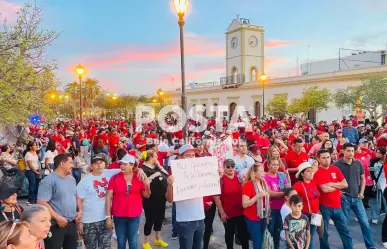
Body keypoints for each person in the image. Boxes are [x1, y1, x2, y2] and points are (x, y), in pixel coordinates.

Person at [333, 143, 376, 249]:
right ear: (343, 151)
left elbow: (363, 178)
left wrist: (361, 192)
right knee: (344, 226)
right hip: (344, 198)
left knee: (365, 224)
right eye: (348, 150)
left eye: (352, 151)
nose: (351, 153)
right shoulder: (336, 164)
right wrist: (338, 191)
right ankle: (348, 246)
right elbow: (331, 181)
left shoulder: (358, 163)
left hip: (357, 198)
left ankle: (370, 246)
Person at [76, 154, 121, 249]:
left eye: (101, 163)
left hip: (106, 219)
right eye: (96, 163)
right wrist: (79, 222)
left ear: (105, 164)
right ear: (91, 166)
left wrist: (140, 170)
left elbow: (128, 169)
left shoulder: (110, 173)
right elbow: (78, 200)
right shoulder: (85, 181)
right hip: (89, 221)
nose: (99, 165)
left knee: (106, 246)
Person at [105, 154, 151, 249]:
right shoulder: (114, 178)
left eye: (125, 164)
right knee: (121, 241)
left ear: (132, 165)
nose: (122, 166)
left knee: (133, 241)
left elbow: (147, 195)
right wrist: (108, 216)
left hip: (134, 215)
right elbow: (108, 197)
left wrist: (147, 184)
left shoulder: (139, 177)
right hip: (118, 215)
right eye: (121, 164)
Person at [166, 144, 205, 249]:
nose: (192, 158)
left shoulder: (201, 171)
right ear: (180, 158)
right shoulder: (174, 175)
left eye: (193, 155)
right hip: (184, 220)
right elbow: (170, 199)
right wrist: (170, 186)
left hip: (200, 218)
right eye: (188, 155)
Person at [37, 153, 80, 249]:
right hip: (55, 225)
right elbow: (41, 202)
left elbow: (76, 197)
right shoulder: (48, 180)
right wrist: (57, 218)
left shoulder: (72, 179)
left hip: (71, 224)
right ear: (62, 164)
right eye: (70, 163)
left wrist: (80, 211)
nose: (72, 165)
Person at [313, 149, 353, 249]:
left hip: (338, 206)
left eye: (328, 157)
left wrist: (331, 184)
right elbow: (324, 189)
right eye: (323, 158)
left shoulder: (335, 169)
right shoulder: (317, 172)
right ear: (318, 159)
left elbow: (345, 184)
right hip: (323, 207)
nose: (327, 160)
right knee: (324, 233)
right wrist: (337, 186)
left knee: (345, 231)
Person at [214, 159, 249, 249]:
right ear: (224, 167)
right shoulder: (221, 180)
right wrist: (222, 213)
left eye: (232, 166)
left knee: (244, 234)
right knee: (229, 234)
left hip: (241, 212)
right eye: (228, 166)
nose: (230, 168)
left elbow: (246, 192)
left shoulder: (239, 177)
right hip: (228, 213)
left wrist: (244, 183)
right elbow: (217, 198)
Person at [140, 150, 169, 249]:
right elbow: (144, 182)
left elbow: (167, 175)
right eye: (155, 156)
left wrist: (160, 166)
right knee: (150, 219)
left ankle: (158, 239)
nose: (157, 158)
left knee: (159, 219)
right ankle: (146, 242)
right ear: (150, 158)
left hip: (161, 197)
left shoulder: (156, 166)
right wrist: (154, 175)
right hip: (150, 199)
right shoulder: (142, 169)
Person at [242, 163, 270, 249]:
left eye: (263, 171)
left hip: (263, 216)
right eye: (261, 171)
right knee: (257, 242)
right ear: (254, 173)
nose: (264, 173)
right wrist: (257, 196)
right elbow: (245, 204)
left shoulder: (263, 183)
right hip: (253, 218)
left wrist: (267, 216)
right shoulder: (248, 185)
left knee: (262, 241)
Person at [293, 162, 320, 249]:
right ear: (302, 173)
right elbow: (292, 199)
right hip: (304, 215)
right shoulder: (298, 185)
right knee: (302, 240)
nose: (311, 172)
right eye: (308, 171)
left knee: (310, 238)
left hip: (315, 214)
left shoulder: (313, 182)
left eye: (311, 171)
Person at [265, 158, 290, 249]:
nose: (276, 167)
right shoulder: (265, 177)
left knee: (278, 231)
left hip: (282, 208)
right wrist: (284, 193)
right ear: (268, 165)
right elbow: (270, 193)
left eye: (277, 165)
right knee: (270, 231)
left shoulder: (282, 175)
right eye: (273, 164)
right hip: (271, 208)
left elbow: (288, 189)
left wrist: (284, 192)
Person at [369, 147, 387, 224]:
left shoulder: (386, 162)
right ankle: (375, 216)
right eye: (377, 152)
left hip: (384, 183)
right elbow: (371, 170)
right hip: (376, 182)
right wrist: (373, 180)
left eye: (379, 153)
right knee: (374, 200)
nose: (377, 154)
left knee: (385, 200)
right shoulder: (373, 160)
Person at [25, 141, 41, 205]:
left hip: (36, 170)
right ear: (30, 147)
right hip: (30, 171)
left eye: (36, 145)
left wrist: (38, 170)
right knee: (32, 185)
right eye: (34, 145)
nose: (36, 146)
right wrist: (35, 171)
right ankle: (31, 200)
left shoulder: (35, 152)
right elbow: (30, 165)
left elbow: (37, 162)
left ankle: (35, 199)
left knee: (37, 185)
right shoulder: (28, 154)